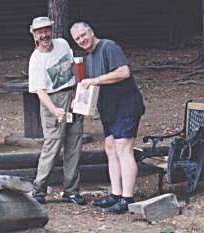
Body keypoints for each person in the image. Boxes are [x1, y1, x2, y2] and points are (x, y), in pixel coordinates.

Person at [70, 22, 145, 214]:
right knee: (110, 149)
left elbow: (123, 72)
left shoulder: (108, 47)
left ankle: (127, 198)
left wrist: (94, 80)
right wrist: (79, 101)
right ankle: (115, 194)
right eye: (77, 39)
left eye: (83, 35)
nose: (82, 40)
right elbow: (91, 86)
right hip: (109, 109)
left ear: (91, 31)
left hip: (126, 106)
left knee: (124, 150)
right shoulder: (89, 57)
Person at [28, 16, 86, 205]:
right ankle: (39, 189)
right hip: (52, 100)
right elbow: (39, 91)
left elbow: (73, 67)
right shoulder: (36, 59)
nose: (44, 35)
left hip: (71, 96)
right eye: (40, 32)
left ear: (52, 31)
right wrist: (55, 110)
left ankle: (71, 191)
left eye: (46, 30)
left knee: (74, 146)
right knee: (52, 147)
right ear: (34, 35)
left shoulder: (62, 44)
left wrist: (78, 94)